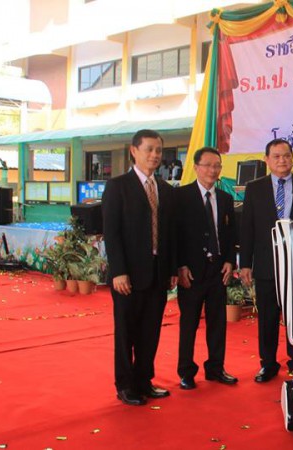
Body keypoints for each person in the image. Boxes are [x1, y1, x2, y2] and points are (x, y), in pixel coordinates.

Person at [102, 129, 178, 406]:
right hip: (128, 275)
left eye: (159, 150)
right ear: (134, 151)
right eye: (149, 149)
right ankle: (125, 385)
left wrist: (171, 269)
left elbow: (170, 234)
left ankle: (144, 380)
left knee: (150, 331)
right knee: (127, 332)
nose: (155, 155)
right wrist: (118, 271)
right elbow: (111, 233)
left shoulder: (166, 190)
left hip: (158, 273)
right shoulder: (118, 186)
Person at [240, 138, 293, 383]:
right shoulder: (255, 188)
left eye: (286, 156)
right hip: (266, 263)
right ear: (267, 160)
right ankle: (268, 364)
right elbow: (247, 228)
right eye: (277, 156)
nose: (282, 160)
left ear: (292, 158)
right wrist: (246, 264)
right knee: (268, 317)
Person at [174, 146, 239, 390]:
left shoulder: (225, 198)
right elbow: (174, 235)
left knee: (218, 323)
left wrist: (230, 260)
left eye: (217, 166)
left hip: (217, 270)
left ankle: (216, 368)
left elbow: (230, 234)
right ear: (196, 167)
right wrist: (180, 265)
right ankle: (186, 371)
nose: (213, 170)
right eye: (208, 165)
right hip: (191, 272)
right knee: (189, 324)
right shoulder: (181, 196)